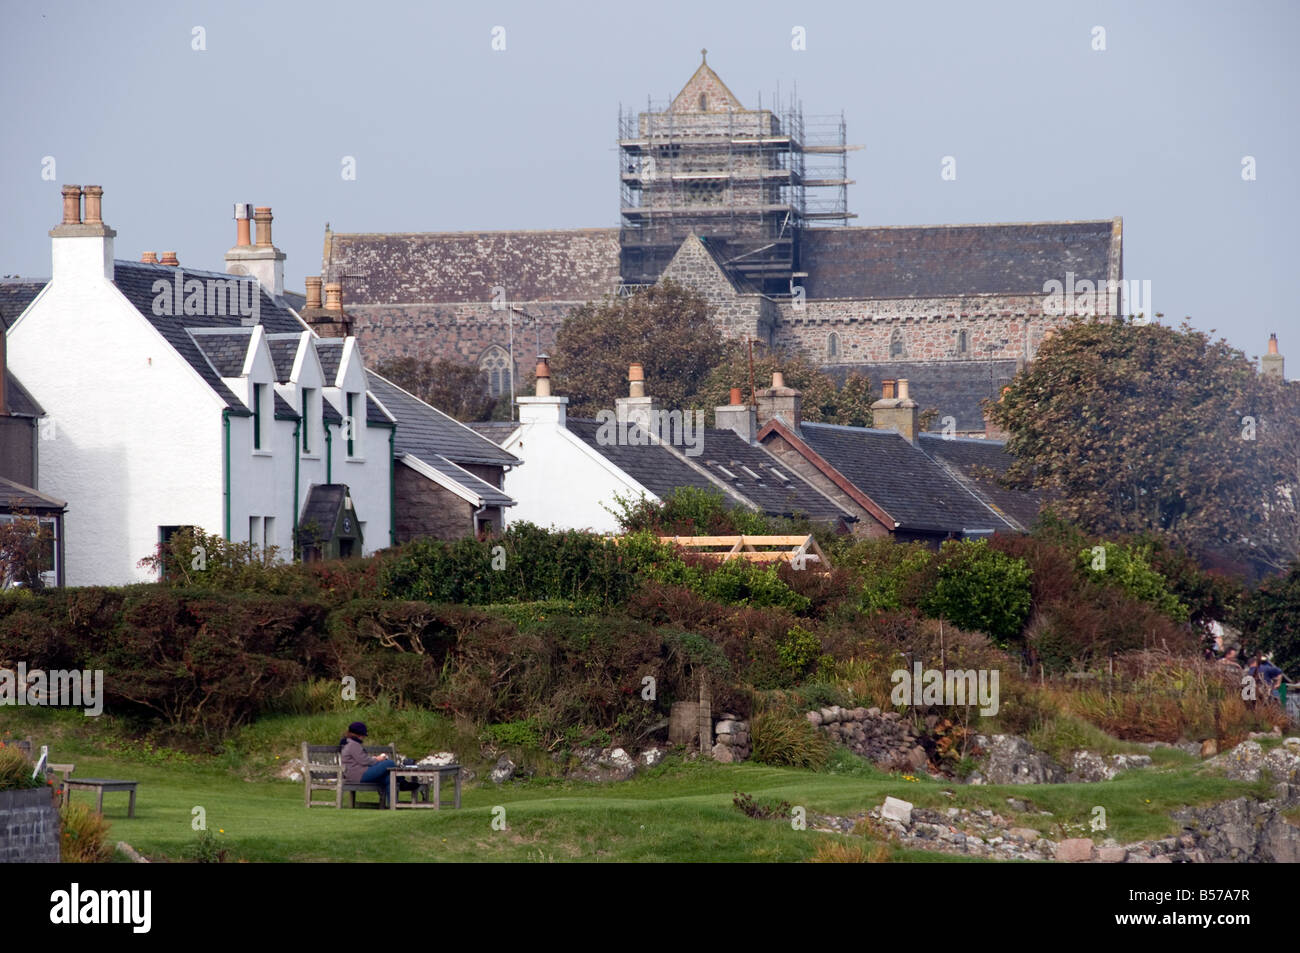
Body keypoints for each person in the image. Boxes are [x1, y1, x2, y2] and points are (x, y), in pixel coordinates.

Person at [339, 721, 417, 807]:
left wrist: (375, 759)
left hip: (356, 773)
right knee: (389, 763)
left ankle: (393, 805)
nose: (364, 737)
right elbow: (365, 761)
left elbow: (361, 759)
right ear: (358, 734)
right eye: (363, 735)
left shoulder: (349, 743)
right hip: (359, 775)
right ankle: (402, 781)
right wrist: (378, 759)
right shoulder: (353, 745)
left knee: (388, 778)